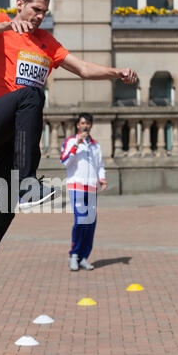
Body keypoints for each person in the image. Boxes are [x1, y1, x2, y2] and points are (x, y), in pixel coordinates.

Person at [0, 0, 138, 329]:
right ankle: (28, 183)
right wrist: (5, 25)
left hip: (7, 145)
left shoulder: (47, 43)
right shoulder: (3, 22)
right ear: (20, 4)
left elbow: (82, 68)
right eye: (34, 10)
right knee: (32, 96)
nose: (38, 17)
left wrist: (116, 73)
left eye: (44, 13)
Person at [61, 113, 107, 271]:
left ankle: (84, 257)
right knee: (81, 221)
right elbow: (65, 161)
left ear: (91, 125)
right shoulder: (70, 141)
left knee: (91, 223)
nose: (85, 126)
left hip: (91, 188)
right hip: (76, 186)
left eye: (88, 123)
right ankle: (74, 255)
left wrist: (102, 178)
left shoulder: (96, 145)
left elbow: (100, 165)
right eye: (82, 123)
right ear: (77, 126)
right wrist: (76, 145)